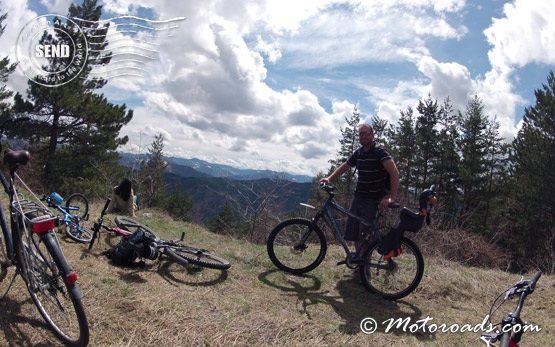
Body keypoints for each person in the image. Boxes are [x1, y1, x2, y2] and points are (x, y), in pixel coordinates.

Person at [320, 123, 400, 251]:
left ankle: (364, 268)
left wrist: (391, 197)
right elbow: (345, 166)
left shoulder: (380, 152)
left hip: (372, 199)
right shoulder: (359, 153)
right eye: (360, 134)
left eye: (366, 133)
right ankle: (358, 264)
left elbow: (394, 173)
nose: (363, 136)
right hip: (358, 196)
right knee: (356, 233)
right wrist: (329, 178)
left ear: (372, 135)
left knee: (365, 235)